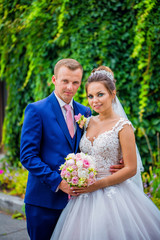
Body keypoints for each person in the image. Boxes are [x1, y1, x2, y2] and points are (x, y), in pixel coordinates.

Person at [51, 66, 160, 240]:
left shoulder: (123, 126)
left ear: (112, 94)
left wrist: (96, 185)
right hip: (83, 197)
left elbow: (131, 168)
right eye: (90, 96)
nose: (95, 101)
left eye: (100, 94)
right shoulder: (86, 122)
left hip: (114, 195)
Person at [20, 59, 123, 240]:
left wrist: (118, 160)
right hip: (44, 202)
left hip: (79, 205)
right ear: (54, 80)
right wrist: (59, 182)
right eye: (65, 81)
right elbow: (28, 156)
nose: (70, 87)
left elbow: (93, 147)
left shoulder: (85, 112)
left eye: (75, 82)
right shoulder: (37, 110)